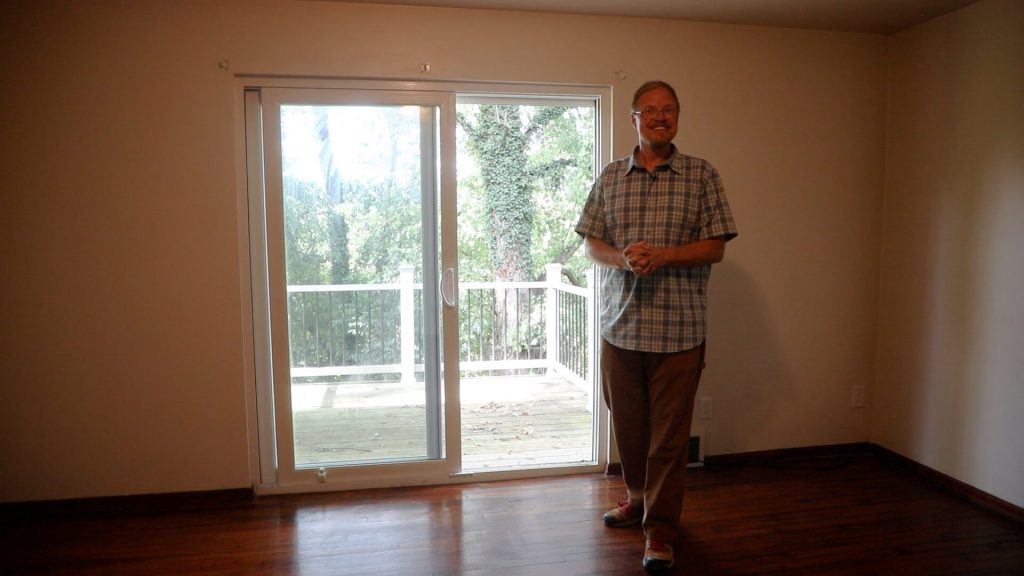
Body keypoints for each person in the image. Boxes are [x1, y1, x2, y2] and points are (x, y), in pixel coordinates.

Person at [574, 80, 737, 572]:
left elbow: (716, 246)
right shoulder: (609, 177)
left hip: (679, 334)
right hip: (619, 330)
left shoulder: (702, 175)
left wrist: (662, 256)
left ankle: (660, 533)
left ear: (678, 118)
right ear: (634, 119)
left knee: (669, 438)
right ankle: (639, 499)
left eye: (669, 110)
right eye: (650, 110)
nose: (659, 117)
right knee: (629, 429)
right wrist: (624, 260)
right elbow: (590, 244)